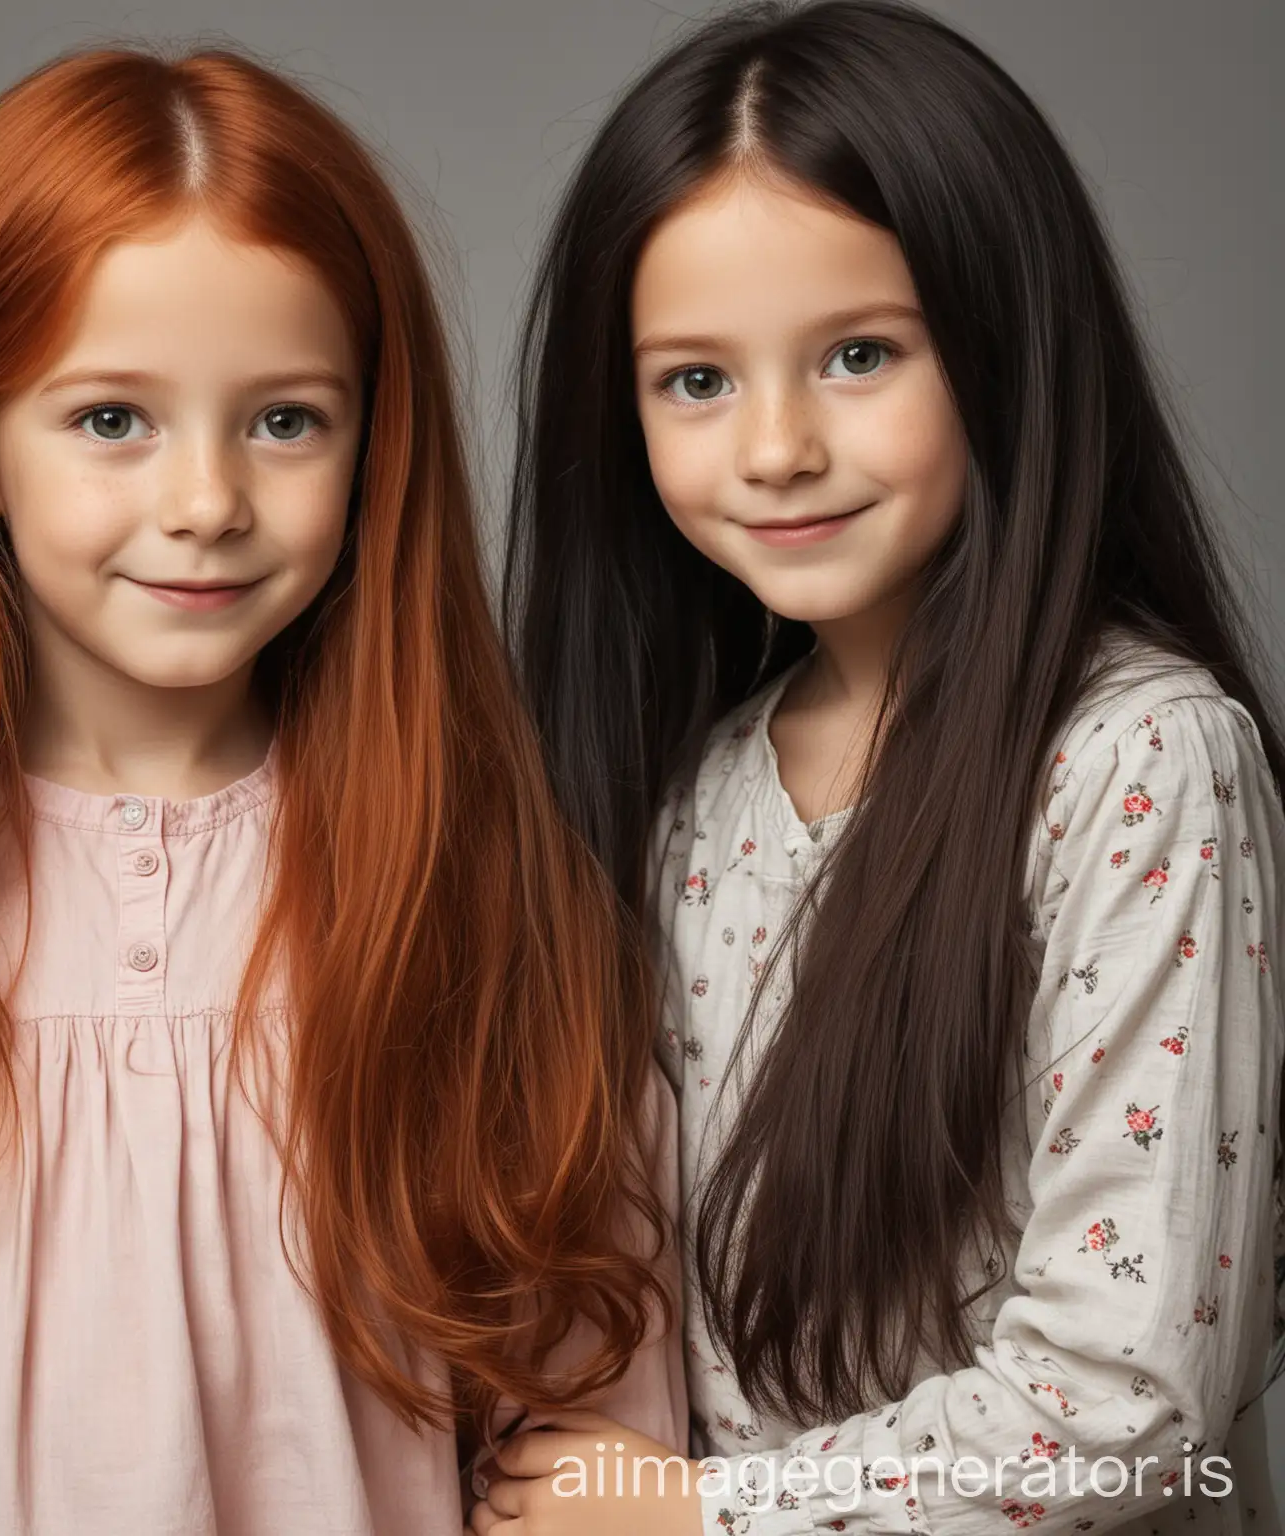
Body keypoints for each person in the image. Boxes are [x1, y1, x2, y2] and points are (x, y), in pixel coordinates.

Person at [0, 44, 685, 1535]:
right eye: (111, 418)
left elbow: (592, 1457)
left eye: (285, 419)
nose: (206, 502)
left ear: (374, 446)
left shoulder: (484, 906)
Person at [478, 2, 1284, 1531]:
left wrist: (698, 1518)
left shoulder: (1139, 761)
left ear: (1004, 344)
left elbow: (1126, 1402)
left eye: (857, 354)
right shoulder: (695, 795)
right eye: (695, 381)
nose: (774, 447)